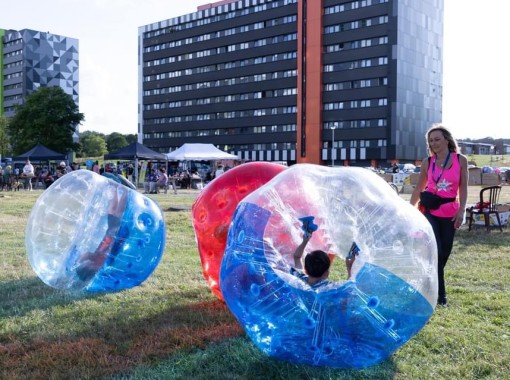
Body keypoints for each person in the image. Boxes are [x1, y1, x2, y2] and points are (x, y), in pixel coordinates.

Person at [410, 124, 468, 307]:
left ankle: (424, 283)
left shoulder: (461, 160)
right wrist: (409, 209)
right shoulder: (428, 162)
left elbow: (463, 187)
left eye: (437, 139)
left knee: (444, 253)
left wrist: (462, 209)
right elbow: (419, 188)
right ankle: (440, 296)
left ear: (447, 140)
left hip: (450, 212)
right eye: (431, 140)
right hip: (430, 212)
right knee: (436, 251)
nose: (434, 143)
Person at [292, 231, 356, 288]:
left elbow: (297, 257)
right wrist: (349, 268)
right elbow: (348, 291)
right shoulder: (328, 288)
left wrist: (305, 241)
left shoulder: (299, 279)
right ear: (326, 273)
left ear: (305, 269)